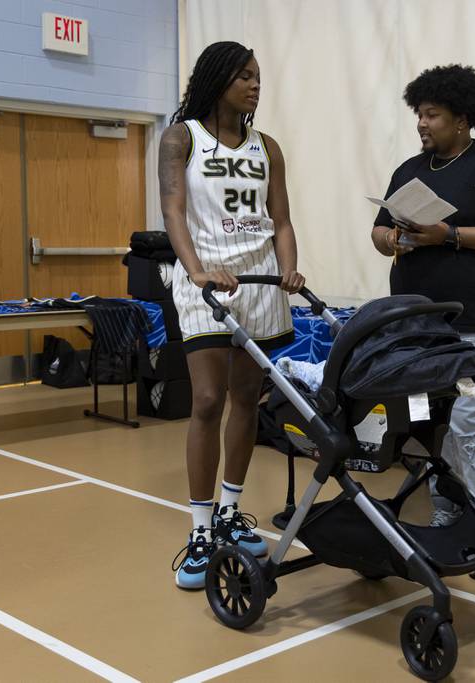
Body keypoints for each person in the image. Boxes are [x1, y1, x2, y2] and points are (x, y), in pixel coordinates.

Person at [371, 64, 475, 580]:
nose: (422, 124)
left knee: (472, 421)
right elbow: (380, 232)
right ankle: (448, 516)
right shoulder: (408, 171)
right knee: (433, 422)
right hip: (420, 324)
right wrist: (393, 240)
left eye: (433, 114)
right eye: (418, 114)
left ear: (463, 119)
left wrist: (450, 234)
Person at [159, 41, 306, 589]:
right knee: (205, 400)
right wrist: (195, 269)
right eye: (244, 76)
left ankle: (229, 511)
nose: (254, 85)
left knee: (247, 399)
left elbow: (282, 220)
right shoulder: (181, 139)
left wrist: (290, 268)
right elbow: (173, 211)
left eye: (258, 77)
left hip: (261, 281)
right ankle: (199, 530)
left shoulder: (267, 147)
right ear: (218, 79)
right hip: (205, 280)